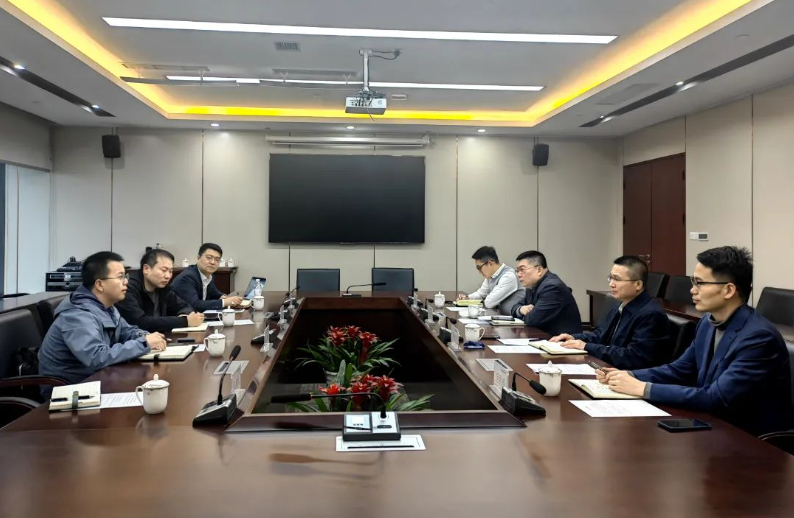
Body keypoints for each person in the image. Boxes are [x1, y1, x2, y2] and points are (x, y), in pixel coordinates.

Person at [598, 246, 793, 436]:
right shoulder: (707, 323)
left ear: (728, 290)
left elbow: (716, 397)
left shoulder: (759, 338)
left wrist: (642, 388)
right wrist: (628, 375)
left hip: (750, 439)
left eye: (699, 283)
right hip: (713, 426)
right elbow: (679, 370)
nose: (692, 290)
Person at [38, 251, 167, 392]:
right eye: (120, 277)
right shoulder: (77, 315)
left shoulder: (107, 307)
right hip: (70, 390)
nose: (126, 282)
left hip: (97, 380)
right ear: (99, 284)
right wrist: (144, 343)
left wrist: (144, 336)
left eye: (126, 276)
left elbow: (127, 331)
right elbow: (97, 357)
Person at [550, 255, 670, 369]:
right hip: (608, 367)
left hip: (628, 375)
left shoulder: (650, 314)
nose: (611, 284)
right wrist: (573, 338)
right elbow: (601, 335)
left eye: (617, 279)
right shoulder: (620, 304)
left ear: (638, 284)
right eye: (610, 278)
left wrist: (586, 346)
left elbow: (633, 357)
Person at [116, 249, 204, 333]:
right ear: (146, 269)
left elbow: (185, 307)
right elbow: (140, 322)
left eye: (170, 271)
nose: (168, 276)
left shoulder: (163, 288)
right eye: (164, 270)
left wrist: (185, 315)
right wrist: (184, 321)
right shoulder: (127, 289)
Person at [510, 251, 582, 335]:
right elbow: (515, 307)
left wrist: (526, 314)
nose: (518, 274)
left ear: (539, 270)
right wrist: (520, 309)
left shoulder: (552, 288)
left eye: (522, 269)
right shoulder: (532, 285)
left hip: (563, 340)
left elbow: (532, 320)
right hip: (543, 336)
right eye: (517, 270)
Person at [171, 243, 243, 311]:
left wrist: (224, 297)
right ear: (198, 257)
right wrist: (225, 302)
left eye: (217, 260)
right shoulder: (187, 277)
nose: (213, 262)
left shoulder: (209, 276)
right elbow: (194, 305)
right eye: (209, 258)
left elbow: (214, 293)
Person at [458, 246, 523, 314]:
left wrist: (481, 300)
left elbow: (489, 303)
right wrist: (468, 298)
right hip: (501, 315)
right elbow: (481, 294)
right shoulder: (491, 276)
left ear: (490, 263)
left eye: (479, 268)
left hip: (514, 317)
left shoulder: (508, 276)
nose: (479, 272)